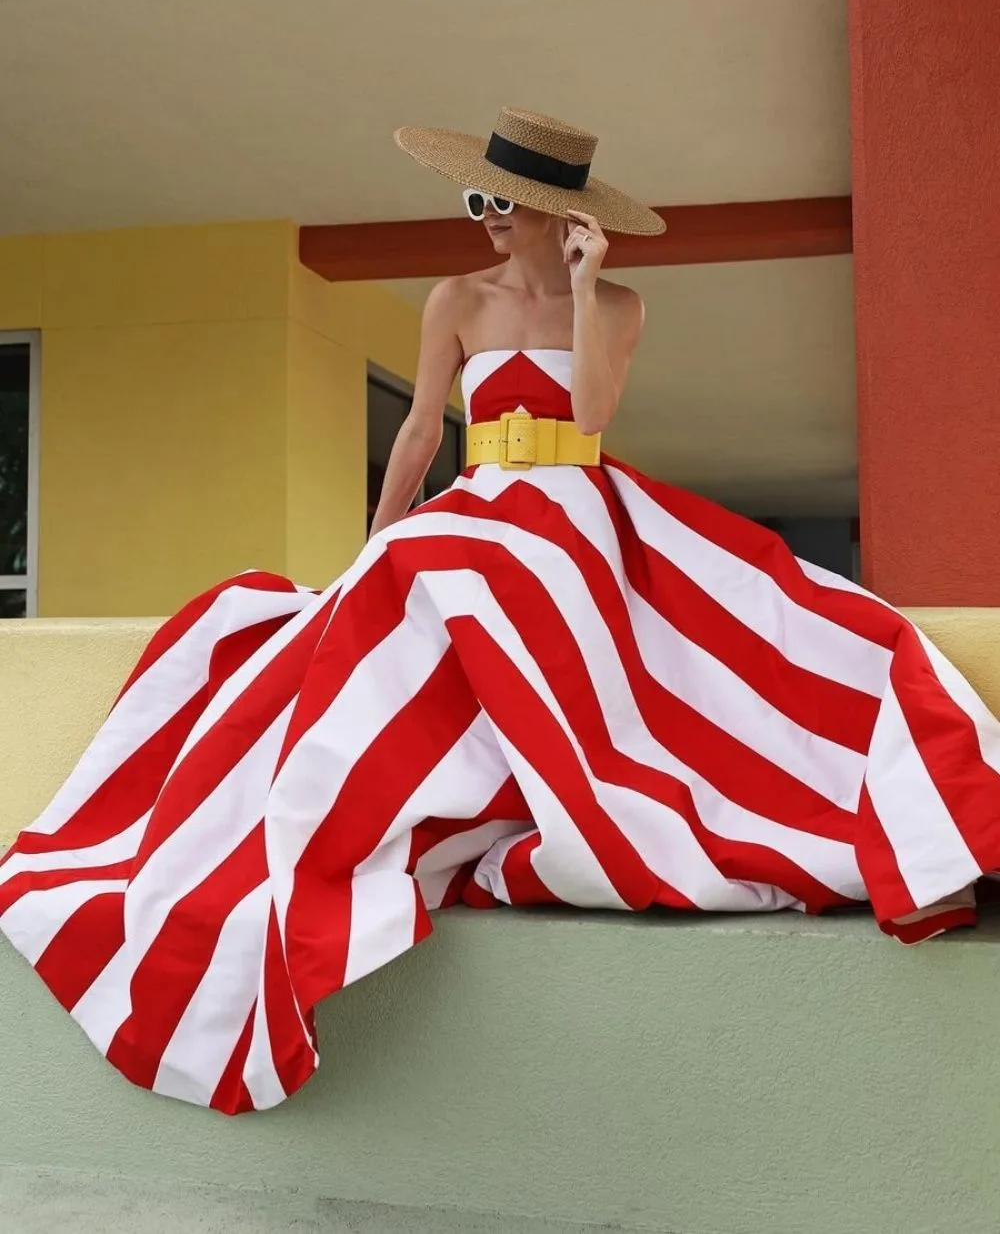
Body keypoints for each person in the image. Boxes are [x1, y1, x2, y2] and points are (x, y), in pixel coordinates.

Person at [2, 107, 998, 1117]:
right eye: (474, 200)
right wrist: (369, 549)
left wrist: (579, 282)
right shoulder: (453, 299)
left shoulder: (615, 303)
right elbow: (417, 434)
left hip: (578, 510)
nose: (480, 220)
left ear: (553, 215)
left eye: (499, 205)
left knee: (772, 611)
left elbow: (598, 417)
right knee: (427, 563)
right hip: (475, 504)